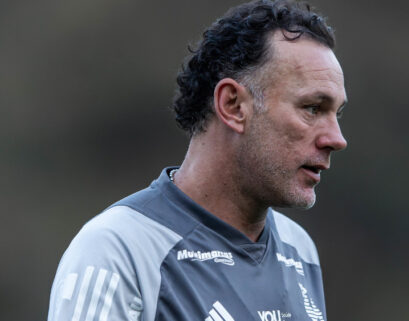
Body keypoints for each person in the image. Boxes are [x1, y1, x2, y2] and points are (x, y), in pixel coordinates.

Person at [47, 0, 347, 320]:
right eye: (313, 108)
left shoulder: (298, 249)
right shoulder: (116, 250)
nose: (337, 139)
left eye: (337, 113)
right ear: (233, 105)